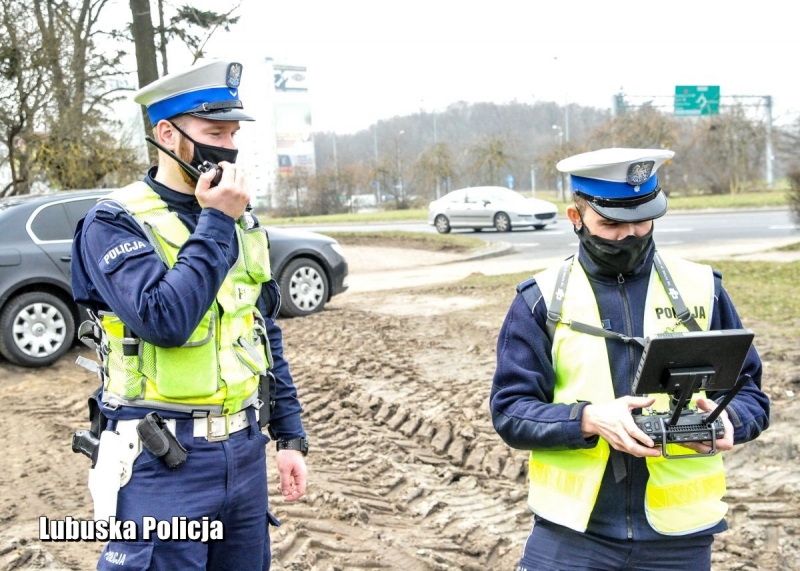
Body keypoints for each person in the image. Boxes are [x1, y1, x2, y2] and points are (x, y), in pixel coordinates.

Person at [71, 59, 308, 571]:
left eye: (233, 134)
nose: (228, 146)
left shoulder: (240, 223)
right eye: (213, 133)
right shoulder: (115, 222)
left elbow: (260, 330)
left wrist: (289, 436)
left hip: (243, 456)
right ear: (167, 135)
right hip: (161, 462)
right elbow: (165, 321)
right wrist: (216, 220)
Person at [490, 148, 770, 571]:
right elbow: (510, 411)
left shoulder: (703, 289)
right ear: (575, 217)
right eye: (612, 224)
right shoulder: (540, 301)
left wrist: (732, 420)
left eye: (642, 220)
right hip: (571, 538)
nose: (631, 235)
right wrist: (589, 419)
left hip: (679, 540)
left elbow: (750, 395)